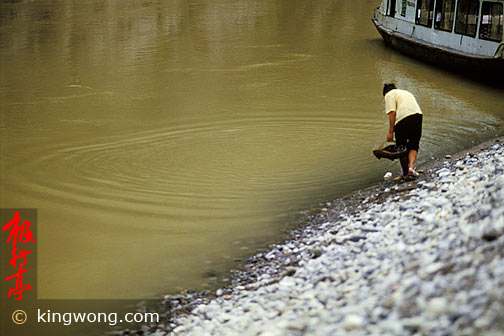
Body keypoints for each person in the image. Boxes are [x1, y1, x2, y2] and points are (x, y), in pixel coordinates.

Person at [383, 83, 423, 180]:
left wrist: (390, 132)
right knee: (414, 143)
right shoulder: (406, 93)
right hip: (417, 116)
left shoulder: (389, 95)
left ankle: (405, 174)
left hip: (403, 118)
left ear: (385, 93)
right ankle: (410, 168)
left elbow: (392, 112)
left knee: (401, 147)